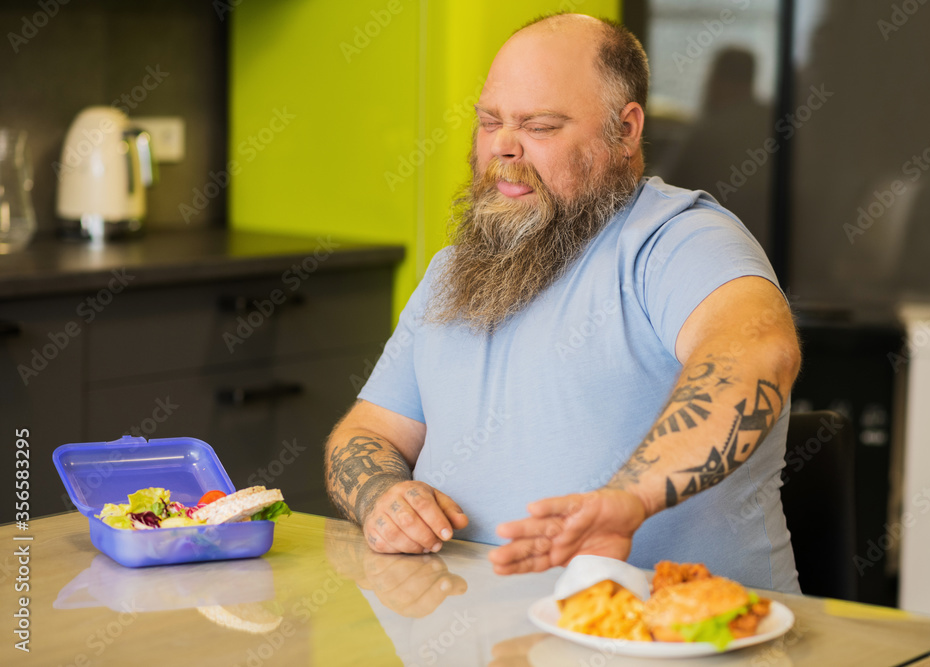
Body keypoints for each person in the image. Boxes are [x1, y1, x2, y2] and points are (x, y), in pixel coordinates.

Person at [324, 13, 802, 591]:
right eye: (489, 121)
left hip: (682, 639)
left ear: (625, 130)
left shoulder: (679, 239)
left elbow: (758, 354)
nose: (503, 145)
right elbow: (366, 432)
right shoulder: (453, 270)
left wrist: (627, 500)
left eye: (540, 126)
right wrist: (382, 497)